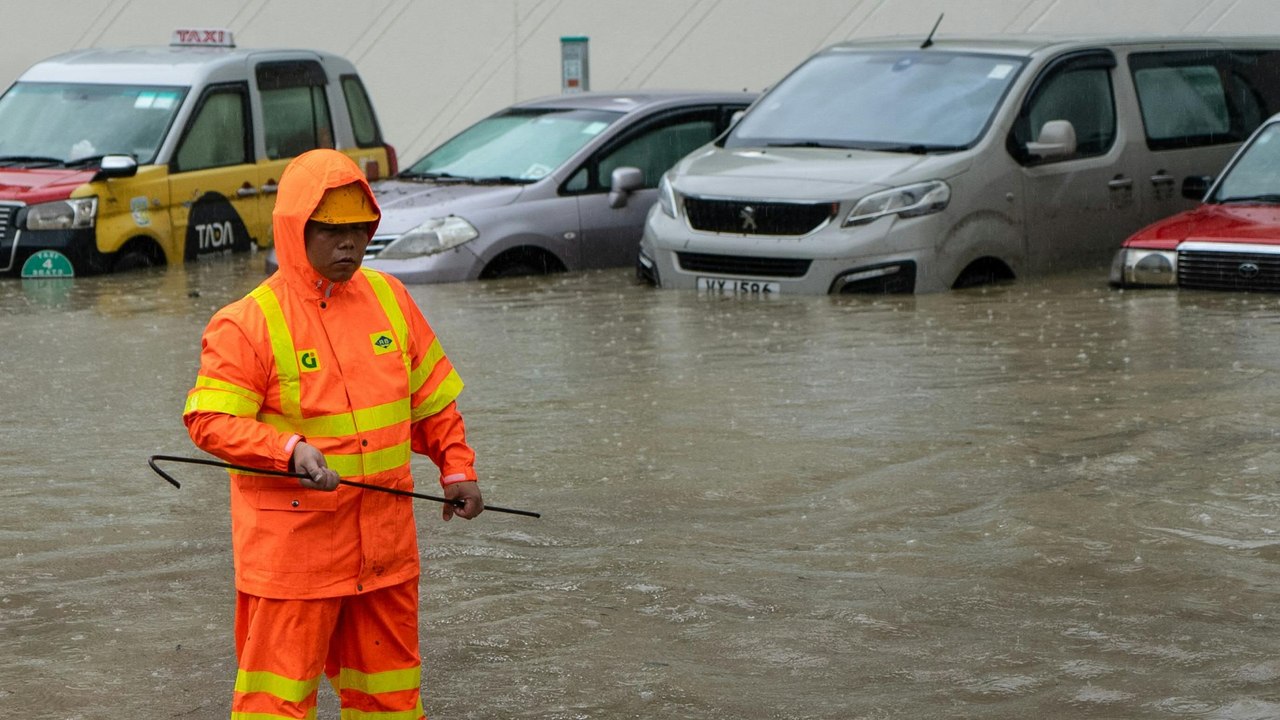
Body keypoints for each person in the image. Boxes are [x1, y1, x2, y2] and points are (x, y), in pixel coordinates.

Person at [183, 148, 483, 719]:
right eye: (331, 231)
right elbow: (209, 421)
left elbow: (434, 401)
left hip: (385, 555)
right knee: (276, 705)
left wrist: (457, 468)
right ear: (297, 230)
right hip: (295, 559)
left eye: (359, 230)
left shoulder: (392, 301)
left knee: (391, 701)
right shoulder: (247, 323)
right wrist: (287, 450)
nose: (348, 244)